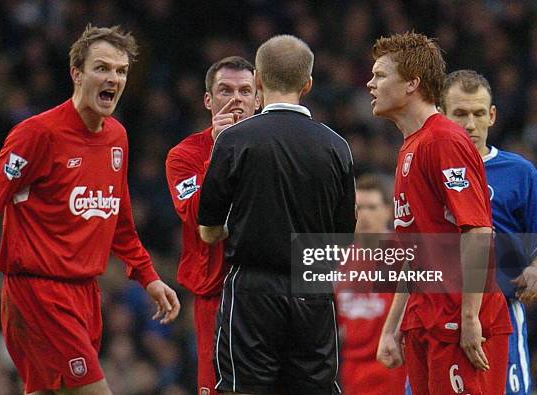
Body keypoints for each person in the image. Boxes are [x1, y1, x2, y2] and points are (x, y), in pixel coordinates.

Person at [0, 24, 180, 395]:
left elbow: (117, 220)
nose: (113, 78)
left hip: (85, 294)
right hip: (38, 293)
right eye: (102, 67)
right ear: (76, 73)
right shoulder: (37, 134)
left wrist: (148, 276)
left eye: (120, 71)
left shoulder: (117, 137)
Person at [198, 35, 356, 395]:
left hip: (252, 289)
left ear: (257, 81)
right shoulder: (337, 146)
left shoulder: (234, 140)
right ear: (308, 84)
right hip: (313, 288)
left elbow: (207, 229)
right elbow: (343, 238)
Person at [367, 32, 512, 395]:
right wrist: (393, 325)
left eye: (381, 75)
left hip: (456, 322)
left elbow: (478, 232)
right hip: (425, 319)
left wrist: (468, 318)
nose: (371, 83)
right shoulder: (410, 146)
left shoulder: (443, 141)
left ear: (412, 83)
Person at [440, 70, 537, 395]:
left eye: (478, 113)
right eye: (460, 114)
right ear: (441, 115)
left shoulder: (520, 173)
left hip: (501, 316)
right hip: (440, 316)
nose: (470, 124)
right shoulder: (427, 169)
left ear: (492, 115)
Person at [165, 56, 260, 395]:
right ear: (208, 99)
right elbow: (194, 213)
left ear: (258, 99)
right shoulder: (185, 155)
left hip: (266, 290)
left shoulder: (272, 149)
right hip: (215, 293)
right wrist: (219, 152)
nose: (236, 99)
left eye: (245, 91)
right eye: (225, 90)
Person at [336, 174, 407, 394]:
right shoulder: (338, 257)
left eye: (372, 207)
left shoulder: (403, 255)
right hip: (350, 370)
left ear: (388, 210)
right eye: (359, 208)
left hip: (391, 366)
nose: (364, 215)